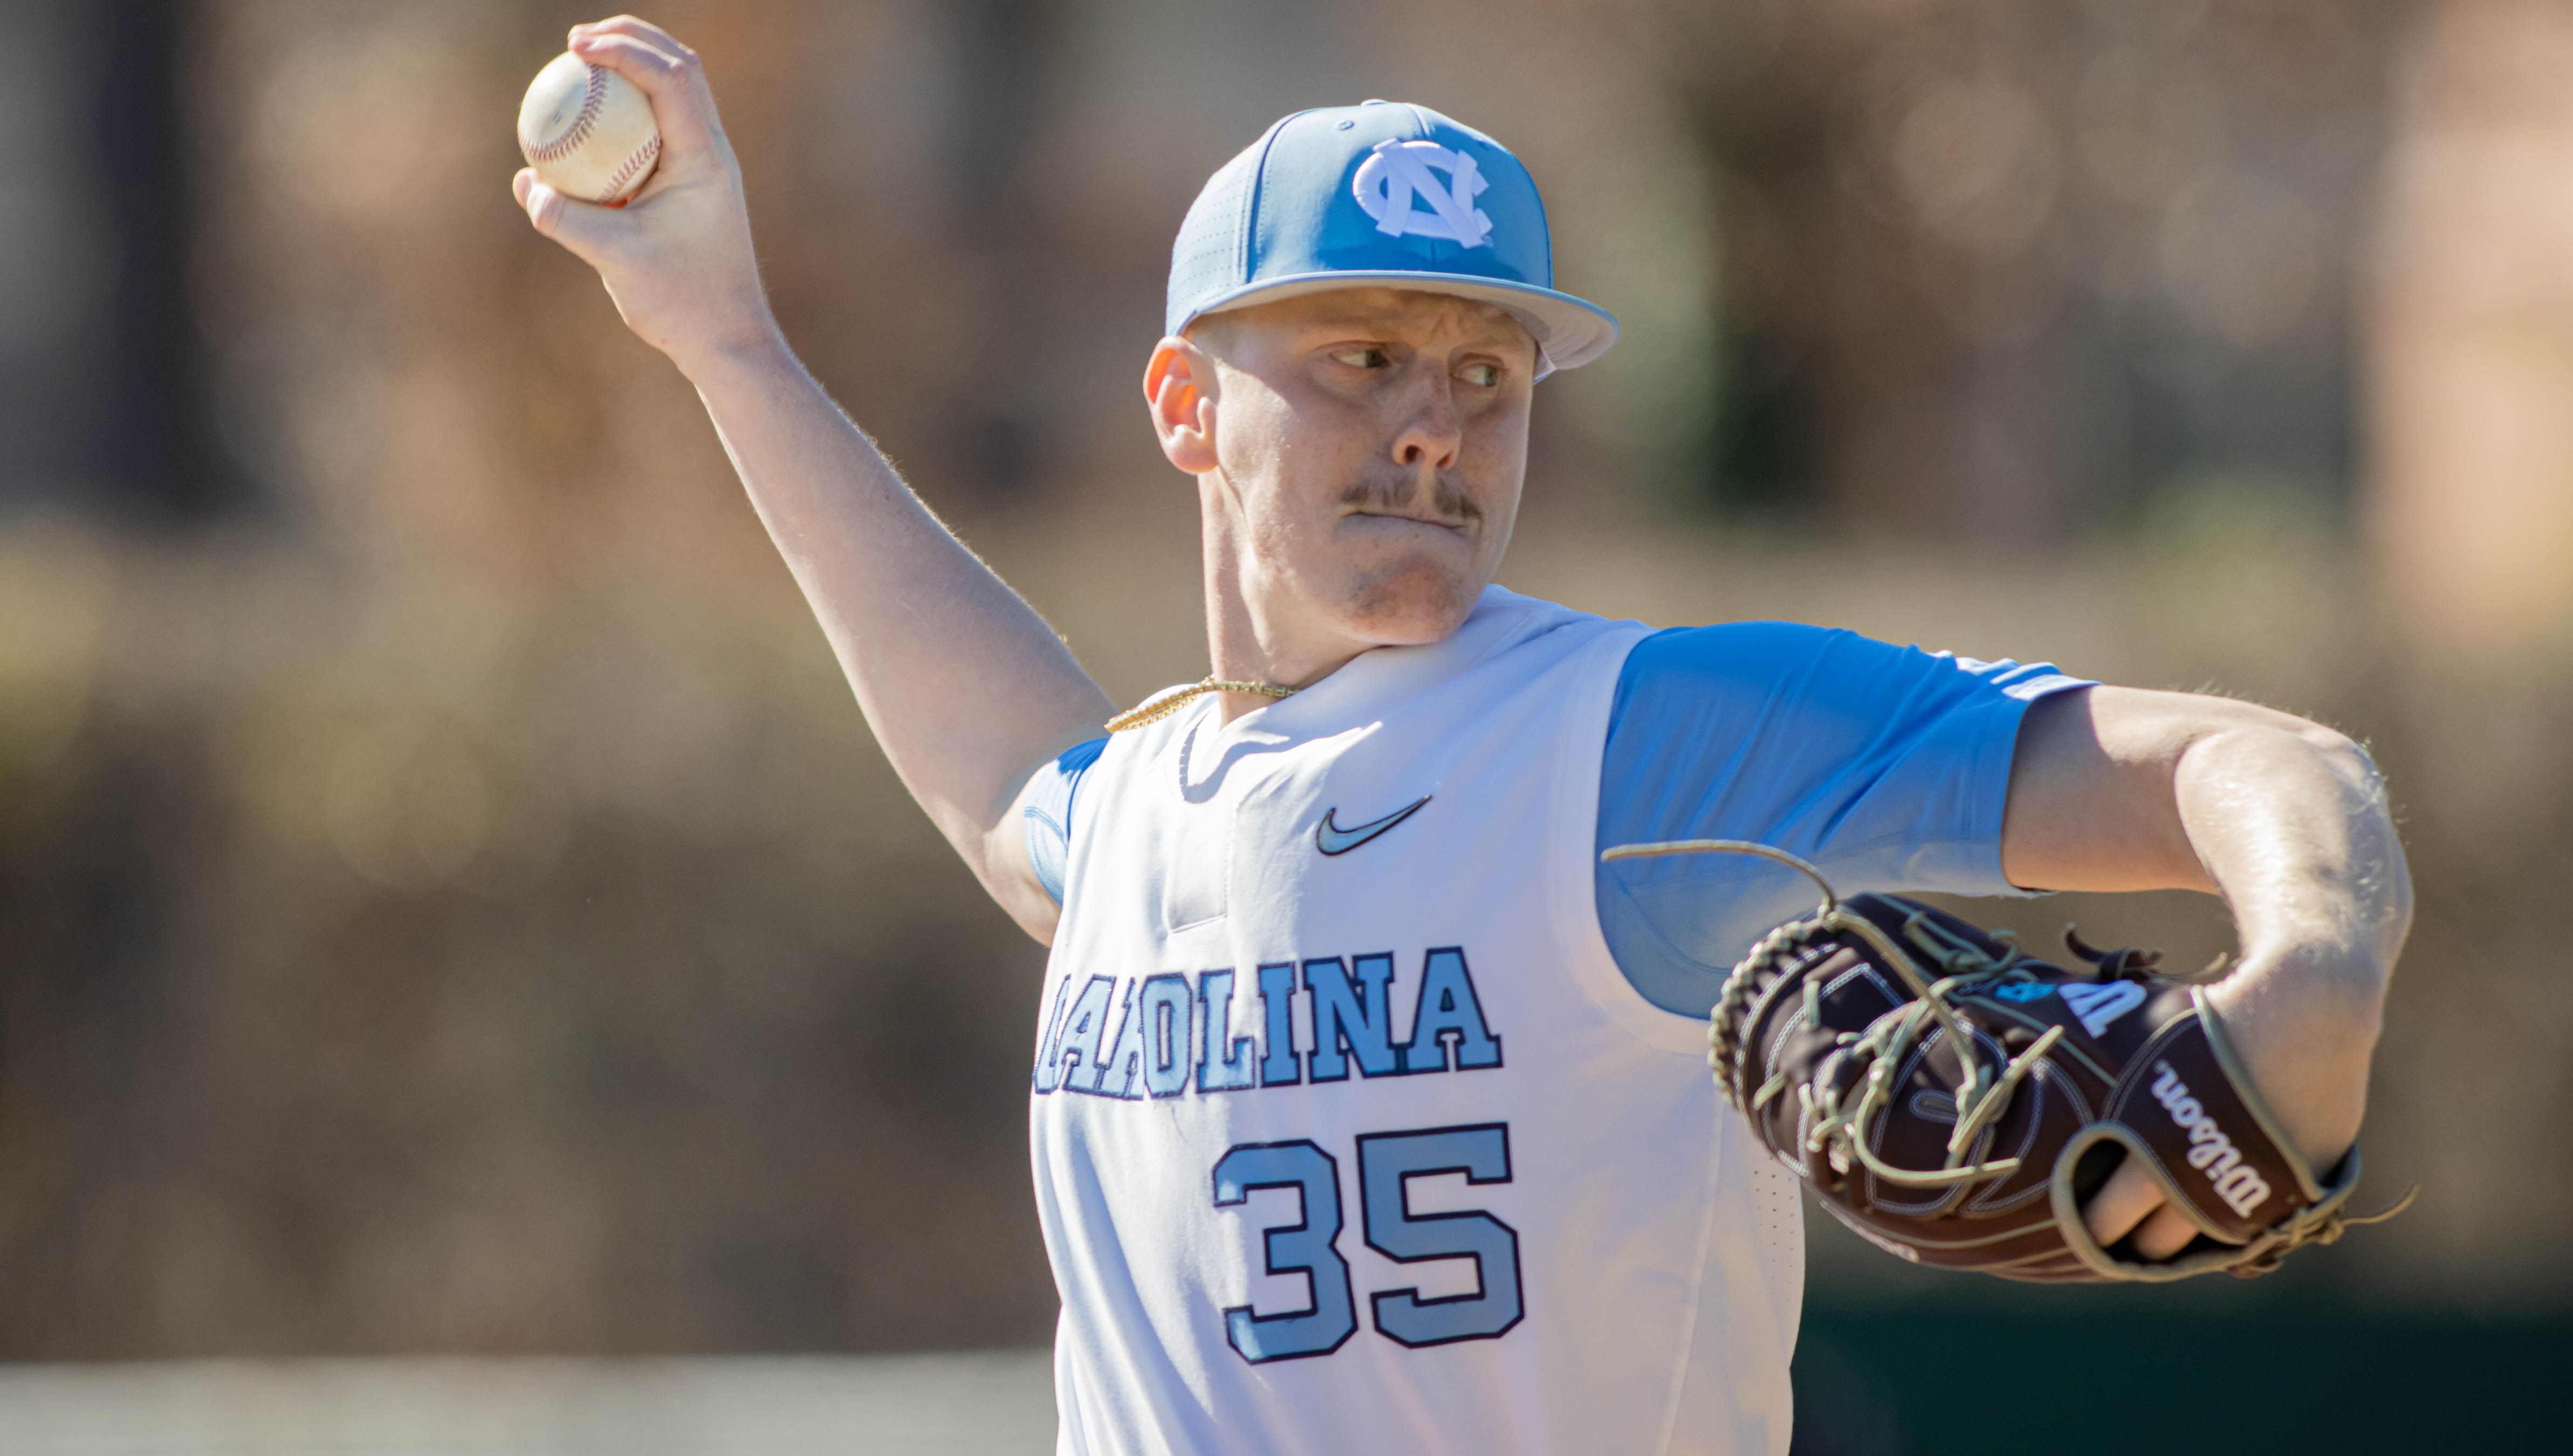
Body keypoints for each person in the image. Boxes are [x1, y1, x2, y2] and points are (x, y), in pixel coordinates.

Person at [514, 17, 2412, 1454]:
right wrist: (727, 338)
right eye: (1362, 356)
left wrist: (2319, 956)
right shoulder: (1142, 810)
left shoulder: (1646, 740)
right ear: (1185, 401)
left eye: (1485, 371)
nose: (1437, 420)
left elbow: (2249, 760)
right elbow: (1002, 767)